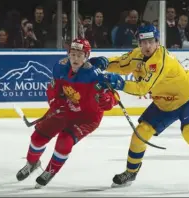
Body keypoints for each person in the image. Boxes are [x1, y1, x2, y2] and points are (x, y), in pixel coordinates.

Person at [92, 23, 189, 187]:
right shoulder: (137, 54)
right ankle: (131, 172)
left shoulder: (161, 61)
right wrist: (105, 62)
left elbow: (142, 89)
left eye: (151, 42)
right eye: (144, 42)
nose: (147, 46)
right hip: (164, 101)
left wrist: (119, 83)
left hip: (188, 97)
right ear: (139, 43)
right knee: (140, 133)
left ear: (157, 42)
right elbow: (122, 63)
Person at [16, 38, 118, 188]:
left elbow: (113, 97)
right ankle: (32, 163)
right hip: (65, 109)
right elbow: (52, 90)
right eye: (72, 54)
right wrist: (55, 103)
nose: (75, 59)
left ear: (87, 56)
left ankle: (51, 170)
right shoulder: (60, 67)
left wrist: (107, 101)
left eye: (79, 55)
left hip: (87, 117)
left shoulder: (94, 75)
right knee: (38, 137)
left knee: (64, 140)